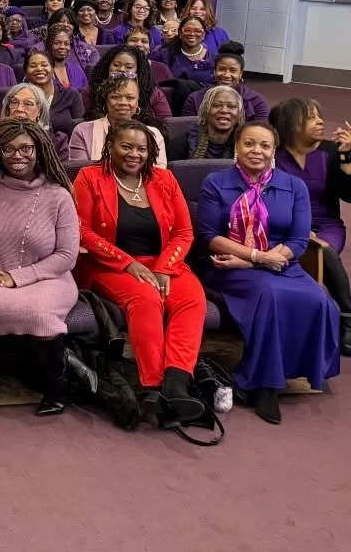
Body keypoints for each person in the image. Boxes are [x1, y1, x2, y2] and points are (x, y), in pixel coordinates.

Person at [198, 121, 341, 424]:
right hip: (229, 264)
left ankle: (279, 373)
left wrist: (261, 261)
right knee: (270, 295)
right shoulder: (216, 182)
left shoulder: (293, 186)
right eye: (249, 143)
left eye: (265, 145)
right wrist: (255, 257)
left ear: (274, 151)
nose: (257, 151)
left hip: (280, 262)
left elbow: (298, 240)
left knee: (319, 299)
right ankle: (266, 385)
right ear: (237, 146)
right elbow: (209, 235)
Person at [72, 120, 208, 421]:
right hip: (109, 265)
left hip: (162, 262)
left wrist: (165, 267)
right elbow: (82, 231)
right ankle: (153, 386)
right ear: (110, 147)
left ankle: (176, 383)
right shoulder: (89, 177)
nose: (134, 154)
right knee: (146, 299)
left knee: (191, 299)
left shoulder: (165, 179)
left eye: (142, 149)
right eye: (126, 146)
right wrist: (128, 263)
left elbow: (184, 232)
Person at [0, 120, 80, 415]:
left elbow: (66, 256)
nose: (17, 155)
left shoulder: (58, 195)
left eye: (26, 148)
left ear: (39, 151)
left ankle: (57, 388)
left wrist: (17, 277)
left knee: (40, 313)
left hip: (49, 278)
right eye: (8, 149)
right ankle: (67, 365)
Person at [271, 98, 351, 355]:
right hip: (285, 222)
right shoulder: (274, 155)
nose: (320, 122)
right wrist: (297, 228)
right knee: (306, 249)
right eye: (311, 118)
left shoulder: (331, 151)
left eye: (319, 116)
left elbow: (349, 195)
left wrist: (347, 158)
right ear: (291, 123)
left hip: (325, 224)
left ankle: (347, 317)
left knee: (322, 249)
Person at [70, 78, 167, 166]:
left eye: (130, 98)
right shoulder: (83, 131)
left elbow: (159, 172)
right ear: (106, 101)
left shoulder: (153, 134)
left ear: (137, 102)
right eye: (115, 97)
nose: (123, 103)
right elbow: (80, 171)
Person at [180, 43, 267, 121]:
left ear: (240, 74)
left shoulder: (256, 101)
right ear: (214, 71)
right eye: (222, 69)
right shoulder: (195, 99)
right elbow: (187, 129)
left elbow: (261, 130)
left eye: (233, 70)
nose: (226, 75)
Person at [87, 44, 172, 121]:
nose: (122, 69)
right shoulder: (91, 92)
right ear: (107, 67)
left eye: (129, 67)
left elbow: (166, 123)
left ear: (138, 70)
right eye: (116, 65)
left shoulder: (154, 94)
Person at [1, 82, 70, 160]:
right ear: (8, 109)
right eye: (14, 102)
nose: (19, 109)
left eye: (28, 104)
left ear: (39, 111)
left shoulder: (56, 143)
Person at [21, 50, 83, 136]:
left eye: (44, 65)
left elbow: (81, 129)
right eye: (33, 66)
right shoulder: (19, 97)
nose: (39, 69)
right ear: (26, 72)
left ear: (53, 69)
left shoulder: (71, 95)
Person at [184, 85, 244, 160]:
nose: (224, 110)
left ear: (239, 113)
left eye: (231, 106)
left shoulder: (247, 140)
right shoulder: (185, 140)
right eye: (217, 105)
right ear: (206, 110)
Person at [42, 20, 92, 91]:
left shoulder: (77, 69)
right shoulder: (42, 71)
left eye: (66, 44)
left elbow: (86, 93)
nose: (62, 47)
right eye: (57, 43)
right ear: (48, 45)